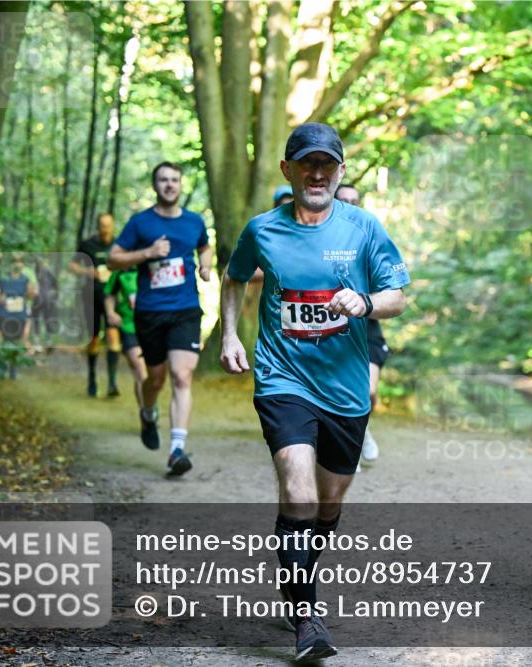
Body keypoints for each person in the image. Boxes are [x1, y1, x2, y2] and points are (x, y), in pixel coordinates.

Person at [220, 123, 410, 660]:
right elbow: (234, 277)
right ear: (289, 170)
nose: (318, 173)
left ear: (341, 170)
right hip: (283, 378)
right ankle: (306, 617)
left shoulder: (364, 227)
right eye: (308, 163)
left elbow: (398, 295)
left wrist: (366, 303)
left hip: (346, 388)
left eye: (328, 164)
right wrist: (231, 333)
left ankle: (297, 569)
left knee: (327, 504)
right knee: (298, 492)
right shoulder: (263, 230)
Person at [108, 162, 214, 477]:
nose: (169, 185)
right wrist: (147, 253)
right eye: (163, 180)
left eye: (174, 180)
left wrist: (205, 266)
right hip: (150, 312)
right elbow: (113, 258)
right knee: (155, 379)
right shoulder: (140, 223)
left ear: (180, 184)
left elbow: (205, 247)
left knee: (182, 376)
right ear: (155, 186)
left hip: (185, 309)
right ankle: (147, 411)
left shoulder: (194, 221)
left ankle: (176, 450)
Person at [334, 183, 389, 463]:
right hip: (330, 332)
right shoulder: (316, 237)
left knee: (367, 391)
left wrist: (366, 300)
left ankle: (362, 429)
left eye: (355, 201)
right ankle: (346, 449)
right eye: (344, 200)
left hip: (367, 331)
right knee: (340, 392)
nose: (350, 205)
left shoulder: (370, 238)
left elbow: (391, 289)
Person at [72, 213, 122, 397]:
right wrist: (88, 272)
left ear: (113, 226)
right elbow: (73, 266)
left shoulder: (119, 246)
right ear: (98, 226)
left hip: (112, 298)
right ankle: (92, 378)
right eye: (103, 226)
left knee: (112, 335)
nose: (106, 229)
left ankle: (112, 382)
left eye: (108, 225)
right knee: (93, 339)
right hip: (90, 297)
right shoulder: (87, 245)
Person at [104, 268, 147, 414]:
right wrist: (111, 312)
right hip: (129, 327)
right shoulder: (121, 271)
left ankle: (148, 405)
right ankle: (147, 414)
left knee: (153, 375)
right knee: (140, 370)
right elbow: (109, 293)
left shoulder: (153, 265)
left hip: (153, 326)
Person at [0, 254, 37, 379]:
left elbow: (31, 295)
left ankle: (13, 371)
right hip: (5, 314)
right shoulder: (3, 279)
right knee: (5, 341)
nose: (17, 264)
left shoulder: (26, 280)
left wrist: (31, 293)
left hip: (19, 315)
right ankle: (2, 369)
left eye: (19, 261)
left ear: (22, 264)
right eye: (14, 261)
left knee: (16, 341)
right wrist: (0, 298)